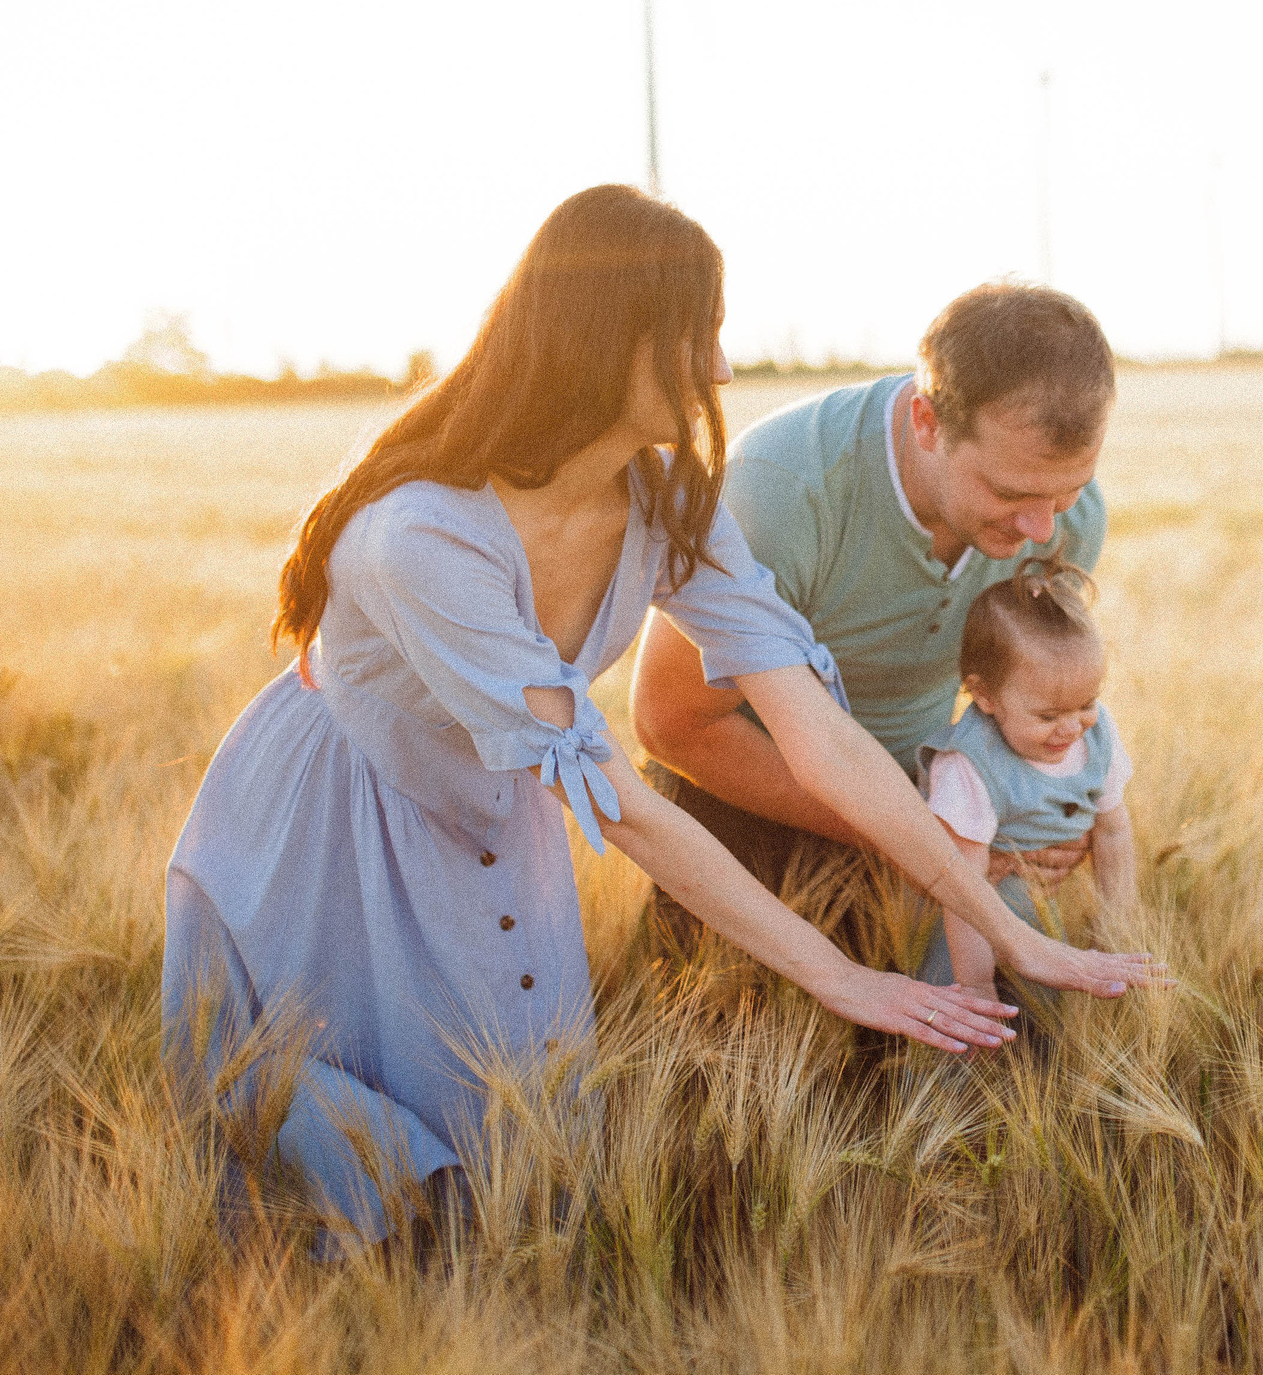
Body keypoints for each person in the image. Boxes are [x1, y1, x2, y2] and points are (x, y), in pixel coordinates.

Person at [162, 186, 1161, 1253]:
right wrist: (836, 975)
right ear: (603, 340)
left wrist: (1006, 931)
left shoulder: (667, 499)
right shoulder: (421, 540)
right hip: (341, 824)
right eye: (698, 335)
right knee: (352, 1155)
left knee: (530, 1168)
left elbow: (819, 734)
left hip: (499, 814)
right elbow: (622, 802)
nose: (721, 369)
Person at [631, 281, 1113, 913]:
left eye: (1067, 492)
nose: (1042, 530)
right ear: (926, 422)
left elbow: (1021, 693)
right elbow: (672, 722)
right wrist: (917, 837)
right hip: (748, 798)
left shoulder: (1071, 521)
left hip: (933, 804)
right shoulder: (782, 493)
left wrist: (1045, 807)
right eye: (1008, 493)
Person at [916, 556, 1137, 998]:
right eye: (1048, 716)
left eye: (1086, 704)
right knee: (962, 1019)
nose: (1072, 728)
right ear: (985, 696)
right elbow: (962, 883)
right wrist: (976, 984)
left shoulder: (1098, 736)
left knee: (1045, 1019)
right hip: (967, 928)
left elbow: (1113, 833)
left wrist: (1116, 928)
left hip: (1045, 916)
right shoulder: (970, 765)